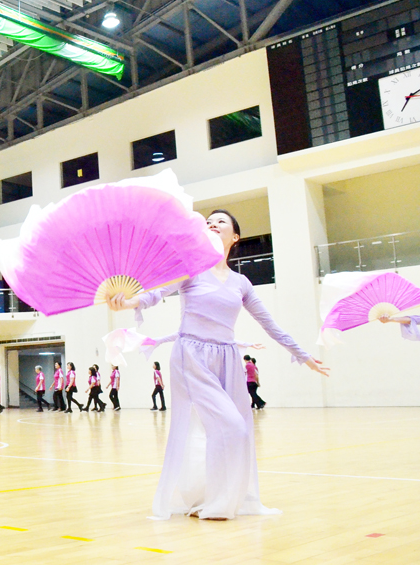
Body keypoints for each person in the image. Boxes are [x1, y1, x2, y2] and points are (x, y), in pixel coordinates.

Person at [109, 209, 327, 521]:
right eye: (208, 222)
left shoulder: (242, 283)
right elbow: (156, 293)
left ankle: (213, 498)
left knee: (228, 430)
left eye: (220, 222)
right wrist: (128, 301)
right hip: (191, 357)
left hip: (227, 358)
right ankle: (216, 505)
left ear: (235, 237)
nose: (212, 225)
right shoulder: (190, 270)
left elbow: (271, 325)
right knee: (233, 427)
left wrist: (303, 356)